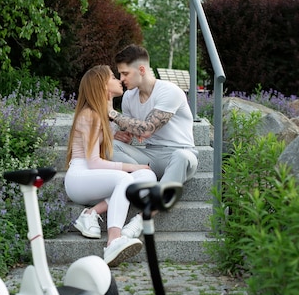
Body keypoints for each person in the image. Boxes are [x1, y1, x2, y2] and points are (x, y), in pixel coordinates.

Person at [64, 65, 157, 267]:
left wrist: (114, 136)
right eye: (113, 77)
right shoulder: (91, 114)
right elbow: (93, 161)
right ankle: (114, 240)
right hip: (80, 177)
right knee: (127, 177)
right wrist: (135, 167)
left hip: (95, 178)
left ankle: (93, 212)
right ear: (103, 86)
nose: (119, 80)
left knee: (148, 178)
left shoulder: (106, 114)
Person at [109, 44, 199, 188]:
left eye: (125, 73)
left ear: (142, 70)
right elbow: (132, 133)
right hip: (151, 155)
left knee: (181, 157)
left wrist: (112, 113)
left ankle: (153, 204)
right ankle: (145, 177)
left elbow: (147, 129)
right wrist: (123, 136)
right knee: (110, 146)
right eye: (120, 74)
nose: (121, 79)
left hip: (180, 154)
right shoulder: (128, 97)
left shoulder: (169, 91)